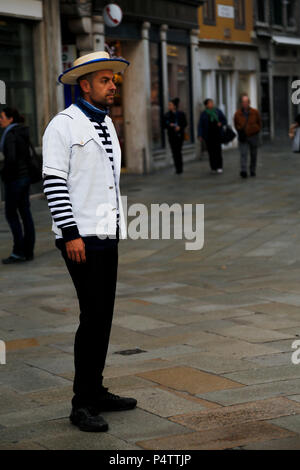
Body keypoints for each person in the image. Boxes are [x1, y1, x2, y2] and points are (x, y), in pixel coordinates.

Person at [42, 51, 137, 433]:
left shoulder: (107, 124)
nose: (112, 85)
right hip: (80, 239)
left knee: (103, 318)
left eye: (113, 80)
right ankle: (81, 404)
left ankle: (95, 390)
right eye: (104, 80)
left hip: (106, 235)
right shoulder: (62, 125)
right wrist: (70, 234)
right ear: (85, 85)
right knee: (92, 318)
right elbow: (54, 182)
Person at [0, 107, 35, 264]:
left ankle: (18, 251)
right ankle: (28, 251)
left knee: (11, 214)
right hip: (25, 177)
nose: (0, 120)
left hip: (15, 179)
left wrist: (4, 172)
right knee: (25, 213)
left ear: (10, 119)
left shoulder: (10, 135)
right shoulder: (22, 132)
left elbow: (11, 159)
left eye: (2, 117)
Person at [234, 94, 262, 178]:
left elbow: (259, 122)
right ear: (241, 103)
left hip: (253, 135)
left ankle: (252, 170)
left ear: (249, 102)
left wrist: (256, 129)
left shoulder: (255, 112)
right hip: (243, 136)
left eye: (246, 102)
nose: (245, 103)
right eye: (243, 102)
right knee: (243, 154)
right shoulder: (237, 113)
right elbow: (235, 124)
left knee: (253, 154)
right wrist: (240, 129)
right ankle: (244, 170)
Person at [198, 98, 227, 174]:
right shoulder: (204, 114)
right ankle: (213, 167)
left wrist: (221, 123)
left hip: (217, 134)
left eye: (212, 102)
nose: (211, 104)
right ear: (206, 105)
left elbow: (224, 120)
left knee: (218, 151)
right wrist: (200, 135)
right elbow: (200, 125)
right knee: (211, 152)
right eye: (210, 103)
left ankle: (219, 166)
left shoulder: (217, 111)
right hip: (208, 135)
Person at [164, 98, 187, 174]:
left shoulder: (181, 114)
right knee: (174, 152)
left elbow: (185, 123)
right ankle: (177, 168)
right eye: (169, 105)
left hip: (180, 135)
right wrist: (170, 125)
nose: (169, 106)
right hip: (172, 136)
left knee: (178, 151)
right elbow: (164, 125)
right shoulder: (167, 115)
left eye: (170, 105)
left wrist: (180, 127)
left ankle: (180, 168)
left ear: (174, 106)